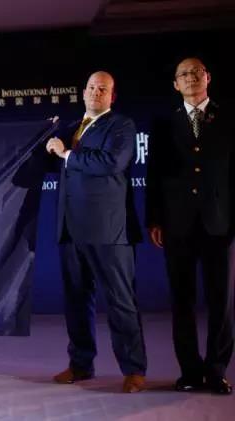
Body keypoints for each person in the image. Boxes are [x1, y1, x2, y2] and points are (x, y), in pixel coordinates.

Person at [46, 71, 147, 393]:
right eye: (91, 87)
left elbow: (111, 163)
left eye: (102, 89)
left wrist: (67, 153)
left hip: (109, 230)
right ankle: (80, 364)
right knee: (76, 301)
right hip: (70, 228)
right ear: (83, 92)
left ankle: (134, 370)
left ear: (112, 96)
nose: (95, 93)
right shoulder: (72, 127)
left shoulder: (121, 125)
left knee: (120, 301)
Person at [146, 57, 234, 395]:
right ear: (175, 84)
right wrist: (155, 218)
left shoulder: (229, 117)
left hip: (219, 222)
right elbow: (154, 175)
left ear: (208, 77)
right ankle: (190, 372)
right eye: (183, 74)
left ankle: (216, 370)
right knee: (182, 301)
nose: (190, 77)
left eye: (197, 72)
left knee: (220, 301)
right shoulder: (164, 124)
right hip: (177, 223)